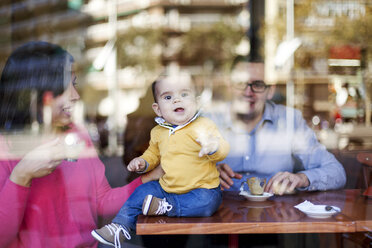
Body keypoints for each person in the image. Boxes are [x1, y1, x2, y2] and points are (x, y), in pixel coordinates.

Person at [0, 41, 161, 248]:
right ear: (38, 91)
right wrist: (21, 176)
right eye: (65, 88)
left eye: (74, 85)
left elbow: (102, 201)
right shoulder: (5, 148)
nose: (75, 96)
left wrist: (148, 179)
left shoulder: (78, 134)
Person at [91, 72, 230, 247]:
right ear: (158, 109)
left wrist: (213, 147)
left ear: (196, 101)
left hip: (201, 189)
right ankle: (120, 226)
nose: (177, 100)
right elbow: (152, 154)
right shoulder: (158, 132)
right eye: (168, 97)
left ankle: (167, 207)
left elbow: (223, 149)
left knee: (208, 203)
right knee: (142, 191)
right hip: (167, 187)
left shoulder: (203, 125)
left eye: (184, 94)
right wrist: (143, 162)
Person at [213, 59, 346, 194]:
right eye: (240, 83)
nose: (248, 92)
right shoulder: (208, 120)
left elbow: (337, 172)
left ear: (270, 91)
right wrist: (203, 174)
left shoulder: (290, 121)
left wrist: (302, 178)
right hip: (220, 210)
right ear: (229, 85)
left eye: (258, 85)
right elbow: (190, 172)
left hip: (275, 211)